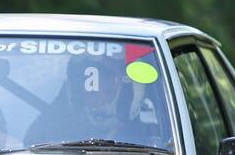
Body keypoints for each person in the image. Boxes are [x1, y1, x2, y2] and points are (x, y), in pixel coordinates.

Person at [25, 52, 171, 148]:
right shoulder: (50, 129)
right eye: (88, 83)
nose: (96, 91)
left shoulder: (154, 130)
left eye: (110, 79)